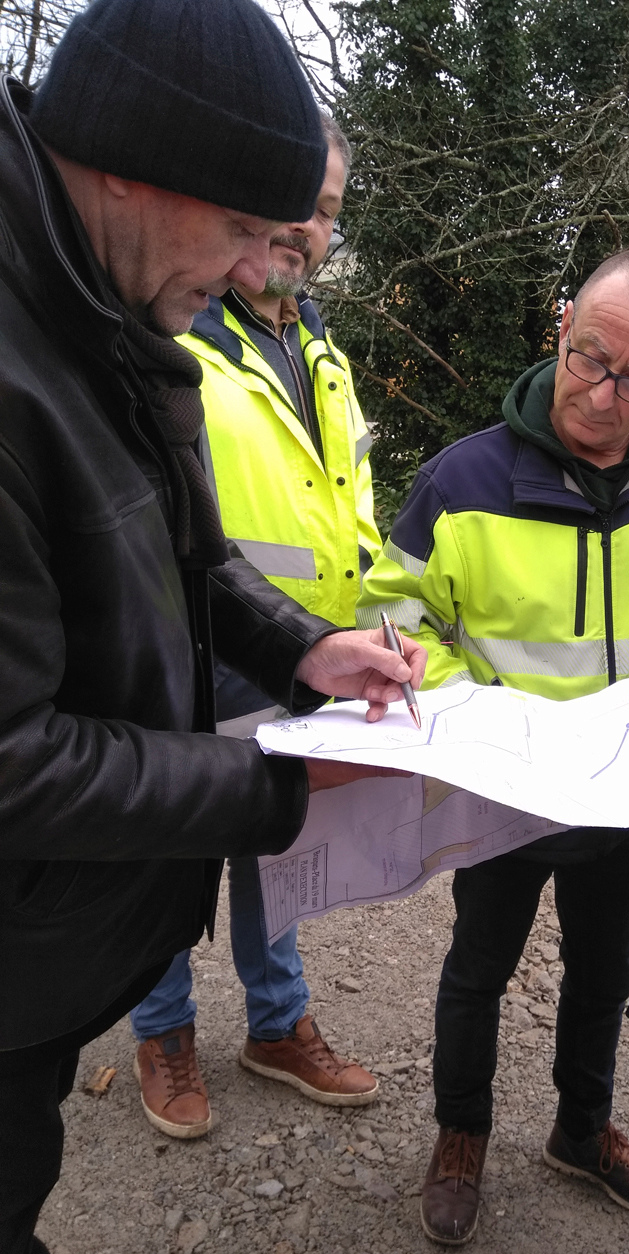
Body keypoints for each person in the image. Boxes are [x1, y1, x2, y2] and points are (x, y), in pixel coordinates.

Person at [0, 2, 425, 1254]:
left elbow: (197, 559)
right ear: (129, 162)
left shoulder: (112, 312)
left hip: (50, 923)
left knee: (17, 1153)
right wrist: (280, 792)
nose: (265, 263)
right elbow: (11, 761)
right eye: (247, 225)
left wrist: (308, 649)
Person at [357, 248, 629, 1245]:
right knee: (476, 968)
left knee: (601, 970)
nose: (601, 392)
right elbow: (396, 623)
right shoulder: (463, 477)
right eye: (589, 357)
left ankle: (582, 1130)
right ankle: (461, 1132)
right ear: (563, 321)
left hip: (622, 797)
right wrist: (483, 715)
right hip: (499, 790)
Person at [129, 119, 384, 1138]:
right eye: (291, 199)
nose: (305, 226)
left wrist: (366, 623)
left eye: (325, 208)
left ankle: (275, 1024)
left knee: (277, 846)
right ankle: (162, 1026)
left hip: (297, 651)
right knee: (167, 840)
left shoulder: (317, 344)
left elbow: (350, 500)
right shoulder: (176, 327)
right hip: (187, 650)